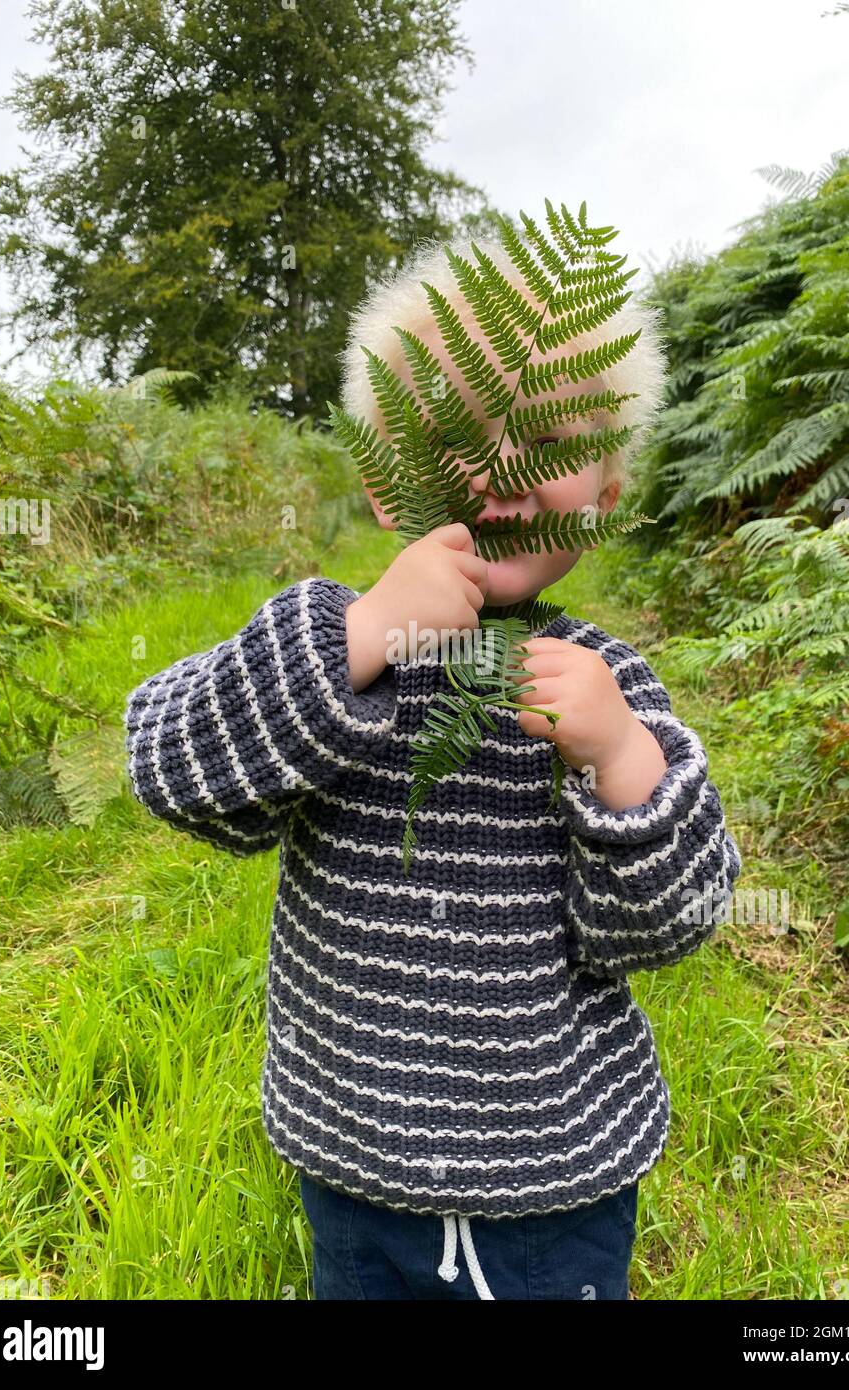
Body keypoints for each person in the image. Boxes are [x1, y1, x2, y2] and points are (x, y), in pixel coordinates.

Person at [123, 232, 742, 1301]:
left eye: (550, 438)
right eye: (452, 434)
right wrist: (358, 638)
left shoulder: (606, 682)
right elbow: (170, 769)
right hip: (352, 1166)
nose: (499, 472)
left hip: (559, 1183)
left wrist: (623, 760)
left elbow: (664, 927)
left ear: (608, 485)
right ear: (381, 477)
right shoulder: (338, 641)